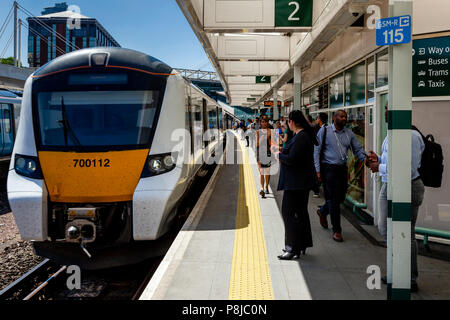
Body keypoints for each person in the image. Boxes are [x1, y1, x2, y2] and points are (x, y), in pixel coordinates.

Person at [367, 103, 425, 292]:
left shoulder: (412, 137)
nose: (385, 112)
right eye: (384, 108)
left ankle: (409, 277)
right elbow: (390, 162)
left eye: (387, 109)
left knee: (406, 233)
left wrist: (380, 168)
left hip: (408, 187)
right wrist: (378, 160)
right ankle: (397, 269)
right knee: (384, 227)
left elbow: (407, 170)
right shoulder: (390, 134)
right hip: (388, 185)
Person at [314, 109, 367, 242]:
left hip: (342, 169)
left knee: (341, 197)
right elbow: (316, 150)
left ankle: (323, 211)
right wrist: (318, 170)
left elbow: (358, 149)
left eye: (345, 116)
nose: (344, 119)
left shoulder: (349, 133)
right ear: (335, 118)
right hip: (328, 169)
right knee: (333, 200)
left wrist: (366, 159)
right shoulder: (325, 131)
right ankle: (337, 230)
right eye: (342, 116)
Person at [272, 110, 318, 260]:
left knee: (288, 213)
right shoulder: (302, 136)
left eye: (288, 122)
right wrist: (281, 150)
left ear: (292, 122)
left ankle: (292, 248)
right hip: (300, 182)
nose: (287, 125)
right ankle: (302, 244)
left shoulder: (302, 136)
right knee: (301, 213)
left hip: (296, 183)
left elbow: (292, 159)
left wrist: (278, 155)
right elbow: (294, 152)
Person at [312, 113, 329, 198]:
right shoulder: (328, 128)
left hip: (322, 158)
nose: (316, 120)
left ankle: (316, 190)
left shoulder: (322, 129)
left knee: (320, 177)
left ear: (320, 119)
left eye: (317, 118)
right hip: (326, 159)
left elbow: (317, 147)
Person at [256, 115, 272, 198]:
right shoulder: (258, 132)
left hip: (268, 152)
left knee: (267, 172)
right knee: (261, 171)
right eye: (262, 122)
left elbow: (273, 144)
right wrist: (262, 139)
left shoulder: (271, 131)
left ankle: (266, 187)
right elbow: (256, 144)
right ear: (260, 123)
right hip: (260, 153)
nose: (264, 123)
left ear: (267, 122)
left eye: (265, 121)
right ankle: (262, 189)